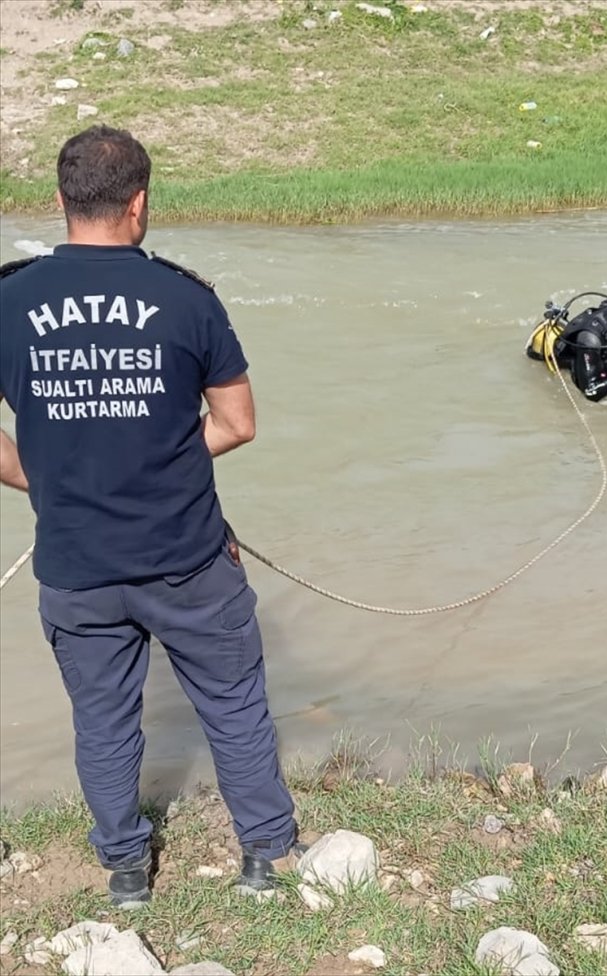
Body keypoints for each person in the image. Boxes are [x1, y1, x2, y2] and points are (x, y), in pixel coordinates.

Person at [0, 125, 302, 908]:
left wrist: (45, 477)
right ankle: (265, 853)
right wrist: (157, 461)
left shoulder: (8, 300)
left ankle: (127, 869)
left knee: (102, 722)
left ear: (61, 202)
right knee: (231, 705)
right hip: (189, 558)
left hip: (73, 565)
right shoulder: (185, 297)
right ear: (138, 205)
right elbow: (237, 423)